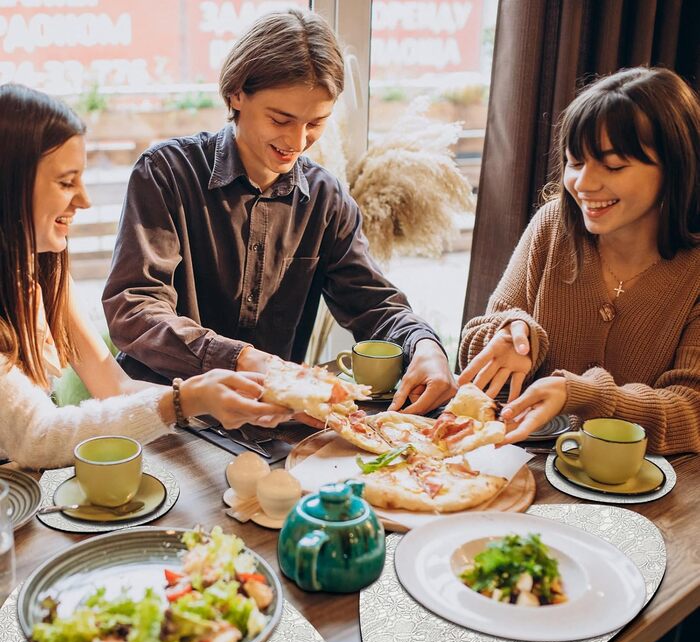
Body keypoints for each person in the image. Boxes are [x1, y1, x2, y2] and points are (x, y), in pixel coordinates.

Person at [102, 9, 456, 419]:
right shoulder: (166, 173)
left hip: (266, 423)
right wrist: (242, 359)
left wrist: (424, 345)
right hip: (166, 415)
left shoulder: (326, 199)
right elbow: (134, 309)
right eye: (281, 119)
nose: (297, 141)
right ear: (236, 93)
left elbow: (375, 305)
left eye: (316, 123)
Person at [0, 84, 292, 468]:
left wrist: (220, 396)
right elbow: (37, 438)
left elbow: (114, 388)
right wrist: (184, 400)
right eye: (66, 182)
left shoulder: (43, 272)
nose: (84, 200)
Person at [459, 66, 700, 454]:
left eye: (613, 166)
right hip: (524, 470)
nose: (584, 184)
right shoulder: (552, 225)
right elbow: (476, 348)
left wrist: (587, 395)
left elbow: (691, 410)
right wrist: (510, 336)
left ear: (675, 167)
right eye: (575, 162)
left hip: (645, 498)